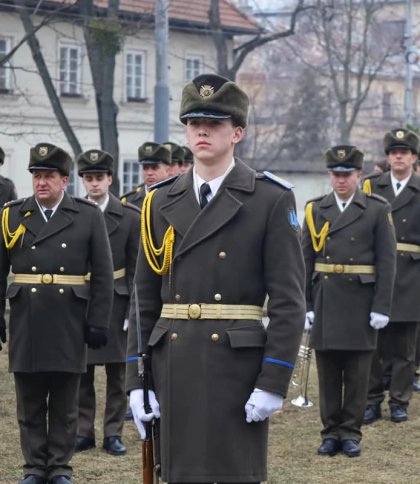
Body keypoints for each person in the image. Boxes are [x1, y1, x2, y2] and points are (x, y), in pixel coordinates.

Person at [126, 73, 306, 484]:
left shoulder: (270, 199)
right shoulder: (158, 201)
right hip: (173, 363)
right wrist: (136, 380)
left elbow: (288, 301)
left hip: (235, 366)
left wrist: (274, 380)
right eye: (193, 123)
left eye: (215, 123)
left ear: (237, 132)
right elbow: (143, 300)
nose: (202, 131)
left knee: (231, 474)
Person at [0, 143, 113, 484]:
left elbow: (104, 274)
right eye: (36, 176)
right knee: (30, 400)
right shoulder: (12, 215)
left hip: (69, 318)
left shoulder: (87, 215)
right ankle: (35, 466)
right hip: (27, 316)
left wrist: (97, 321)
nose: (41, 182)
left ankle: (60, 467)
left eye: (49, 176)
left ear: (65, 181)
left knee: (65, 401)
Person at [302, 145, 396, 458]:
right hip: (327, 299)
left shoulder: (376, 209)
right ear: (330, 175)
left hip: (361, 301)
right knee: (328, 375)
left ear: (359, 175)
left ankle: (351, 433)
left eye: (347, 174)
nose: (341, 180)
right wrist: (307, 304)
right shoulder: (316, 209)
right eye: (335, 174)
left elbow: (387, 261)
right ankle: (330, 433)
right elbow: (305, 260)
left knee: (357, 375)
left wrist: (382, 306)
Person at [75, 150, 140, 456]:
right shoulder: (74, 213)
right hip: (82, 299)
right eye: (88, 178)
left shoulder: (129, 217)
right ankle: (83, 430)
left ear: (110, 179)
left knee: (118, 374)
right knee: (81, 372)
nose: (94, 184)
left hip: (116, 299)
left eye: (99, 178)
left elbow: (137, 267)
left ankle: (113, 432)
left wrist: (133, 310)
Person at [362, 128, 420, 424]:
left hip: (411, 275)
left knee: (405, 347)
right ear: (387, 158)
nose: (399, 157)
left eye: (404, 152)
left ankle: (399, 400)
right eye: (394, 153)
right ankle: (371, 400)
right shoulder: (371, 186)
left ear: (413, 157)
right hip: (377, 274)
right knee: (373, 344)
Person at [120, 142, 171, 208]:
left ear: (167, 171)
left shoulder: (175, 198)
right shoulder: (129, 201)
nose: (149, 173)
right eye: (145, 168)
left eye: (154, 168)